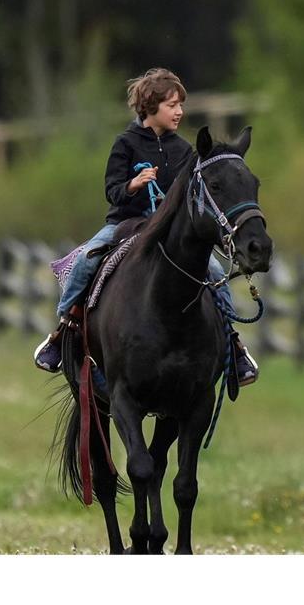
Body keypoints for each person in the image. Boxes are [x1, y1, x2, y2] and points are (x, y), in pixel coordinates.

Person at [33, 67, 259, 388]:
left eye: (181, 104)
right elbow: (111, 190)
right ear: (150, 107)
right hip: (126, 224)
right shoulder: (125, 143)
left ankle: (233, 344)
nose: (179, 111)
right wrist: (134, 186)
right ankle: (63, 330)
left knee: (212, 269)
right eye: (171, 105)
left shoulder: (183, 150)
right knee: (86, 258)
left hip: (167, 230)